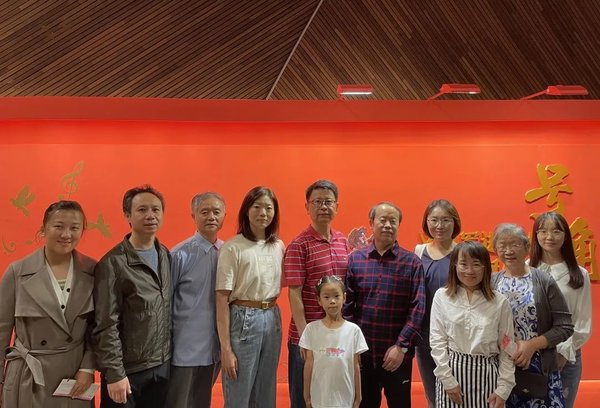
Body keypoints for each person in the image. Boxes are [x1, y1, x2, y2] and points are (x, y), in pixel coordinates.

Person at [0, 200, 96, 407]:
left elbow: (98, 327)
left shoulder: (93, 270)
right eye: (59, 226)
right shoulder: (17, 272)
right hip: (29, 378)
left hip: (74, 377)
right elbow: (1, 333)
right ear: (43, 229)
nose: (66, 234)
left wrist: (88, 368)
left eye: (74, 228)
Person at [93, 185, 172, 408]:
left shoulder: (165, 254)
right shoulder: (113, 263)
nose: (150, 215)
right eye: (142, 210)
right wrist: (115, 373)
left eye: (156, 209)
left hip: (162, 366)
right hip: (128, 371)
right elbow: (106, 324)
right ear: (127, 215)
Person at [344, 201, 426, 408]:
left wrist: (401, 346)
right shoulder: (356, 260)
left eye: (393, 221)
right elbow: (347, 307)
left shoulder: (411, 262)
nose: (388, 225)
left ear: (399, 225)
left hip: (397, 355)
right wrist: (354, 346)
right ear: (371, 223)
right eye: (383, 220)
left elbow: (418, 308)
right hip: (363, 354)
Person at [215, 186, 285, 408]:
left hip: (272, 317)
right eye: (257, 207)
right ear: (246, 210)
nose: (263, 213)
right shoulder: (232, 247)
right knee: (239, 389)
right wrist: (226, 349)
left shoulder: (278, 246)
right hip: (243, 318)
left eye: (268, 208)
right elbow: (221, 299)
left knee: (266, 389)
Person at [491, 223, 573, 408]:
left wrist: (531, 345)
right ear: (495, 249)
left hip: (539, 369)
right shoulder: (491, 282)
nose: (508, 251)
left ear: (527, 247)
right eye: (502, 245)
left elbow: (565, 326)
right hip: (501, 371)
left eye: (515, 244)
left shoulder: (543, 280)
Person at [285, 179, 350, 408]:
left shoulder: (343, 242)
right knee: (305, 399)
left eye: (328, 202)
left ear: (337, 206)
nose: (323, 207)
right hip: (308, 337)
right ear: (307, 207)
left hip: (337, 336)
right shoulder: (298, 245)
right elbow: (294, 294)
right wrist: (306, 338)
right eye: (317, 202)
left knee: (334, 396)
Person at [430, 241, 515, 408]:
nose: (469, 271)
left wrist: (504, 388)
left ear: (485, 268)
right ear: (454, 266)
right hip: (451, 375)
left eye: (476, 264)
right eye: (463, 264)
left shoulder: (499, 302)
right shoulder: (442, 296)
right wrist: (447, 380)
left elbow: (507, 346)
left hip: (488, 379)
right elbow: (437, 341)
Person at [166, 192, 226, 408]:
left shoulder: (228, 252)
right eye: (204, 212)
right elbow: (165, 301)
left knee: (202, 401)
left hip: (215, 347)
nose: (211, 217)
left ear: (224, 215)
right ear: (193, 216)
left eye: (216, 212)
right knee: (178, 402)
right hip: (185, 347)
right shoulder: (179, 254)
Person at [529, 212, 592, 408]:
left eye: (556, 231)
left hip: (567, 355)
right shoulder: (526, 269)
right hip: (532, 355)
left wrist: (564, 352)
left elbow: (582, 320)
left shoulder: (579, 274)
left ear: (565, 236)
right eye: (543, 231)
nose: (549, 237)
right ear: (536, 235)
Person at [414, 199, 461, 408]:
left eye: (445, 220)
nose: (439, 225)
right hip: (425, 333)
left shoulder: (462, 253)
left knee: (458, 392)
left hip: (456, 334)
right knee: (433, 395)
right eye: (434, 220)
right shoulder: (419, 251)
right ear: (426, 222)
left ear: (455, 223)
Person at [300, 275, 368, 408]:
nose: (332, 301)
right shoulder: (311, 329)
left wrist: (358, 397)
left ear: (344, 298)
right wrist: (307, 396)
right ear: (319, 300)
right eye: (326, 297)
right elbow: (309, 364)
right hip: (320, 399)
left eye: (336, 296)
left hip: (345, 400)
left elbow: (356, 365)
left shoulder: (353, 331)